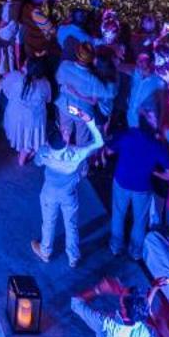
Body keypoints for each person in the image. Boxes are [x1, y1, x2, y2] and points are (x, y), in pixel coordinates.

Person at [32, 105, 105, 267]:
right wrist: (89, 120)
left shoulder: (45, 152)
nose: (66, 131)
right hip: (68, 194)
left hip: (49, 193)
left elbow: (37, 163)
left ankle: (45, 251)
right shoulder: (76, 153)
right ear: (64, 143)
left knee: (48, 222)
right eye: (64, 133)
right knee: (71, 225)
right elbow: (99, 142)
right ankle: (73, 257)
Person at [108, 113, 169, 261]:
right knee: (140, 220)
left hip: (121, 181)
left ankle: (116, 247)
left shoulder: (127, 135)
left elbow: (110, 150)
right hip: (142, 187)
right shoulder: (158, 146)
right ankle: (136, 252)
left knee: (118, 214)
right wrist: (154, 172)